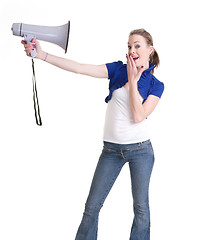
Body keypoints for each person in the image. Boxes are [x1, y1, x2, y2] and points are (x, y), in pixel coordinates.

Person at [22, 28, 164, 240]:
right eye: (129, 46)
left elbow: (138, 116)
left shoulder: (156, 85)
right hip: (111, 150)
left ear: (149, 50)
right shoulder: (118, 69)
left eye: (137, 46)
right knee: (92, 207)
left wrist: (133, 82)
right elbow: (80, 68)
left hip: (141, 151)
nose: (132, 50)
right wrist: (42, 55)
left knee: (141, 208)